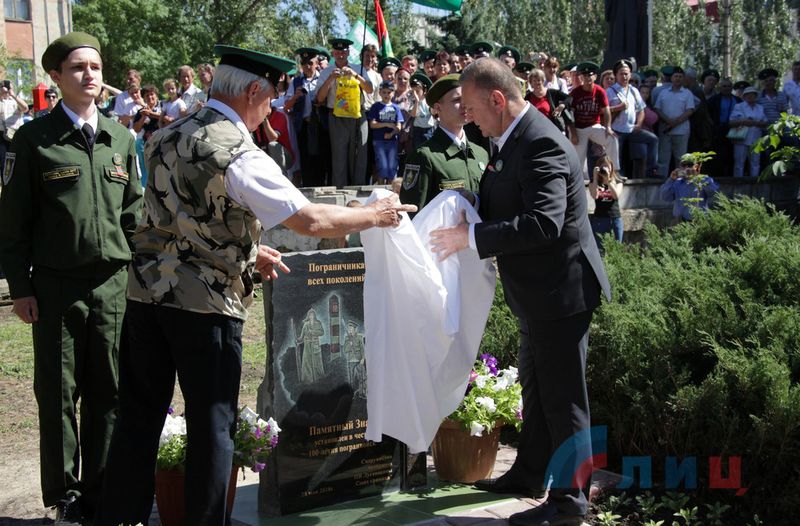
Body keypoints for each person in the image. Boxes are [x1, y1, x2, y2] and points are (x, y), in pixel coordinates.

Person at [95, 44, 415, 526]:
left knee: (138, 419)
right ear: (251, 91)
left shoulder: (165, 134)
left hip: (146, 297)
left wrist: (248, 251)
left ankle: (118, 518)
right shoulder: (240, 153)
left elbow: (178, 216)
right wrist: (375, 214)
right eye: (269, 98)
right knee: (212, 426)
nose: (271, 108)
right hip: (205, 308)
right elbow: (310, 219)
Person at [428, 58, 610, 526]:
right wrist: (470, 205)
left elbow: (543, 223)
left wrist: (470, 237)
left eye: (471, 108)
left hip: (560, 293)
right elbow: (509, 198)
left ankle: (569, 504)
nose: (468, 117)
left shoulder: (540, 142)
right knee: (537, 391)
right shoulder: (510, 139)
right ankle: (529, 475)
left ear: (497, 99)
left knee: (564, 401)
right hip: (537, 295)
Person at [0, 31, 143, 524]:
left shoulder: (121, 139)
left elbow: (134, 216)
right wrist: (21, 289)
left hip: (113, 287)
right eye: (78, 67)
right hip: (56, 288)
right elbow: (12, 226)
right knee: (58, 394)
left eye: (95, 67)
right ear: (56, 77)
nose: (89, 75)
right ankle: (65, 496)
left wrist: (138, 278)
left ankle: (103, 493)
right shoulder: (33, 140)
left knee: (111, 392)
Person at [400, 74, 487, 211]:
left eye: (466, 99)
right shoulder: (425, 157)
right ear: (437, 108)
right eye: (457, 100)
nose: (464, 105)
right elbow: (413, 213)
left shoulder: (481, 154)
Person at [315, 38, 379, 187]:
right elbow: (320, 98)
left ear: (348, 53)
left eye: (343, 52)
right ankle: (340, 189)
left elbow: (369, 89)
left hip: (358, 115)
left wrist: (356, 76)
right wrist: (331, 78)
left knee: (360, 154)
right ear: (333, 53)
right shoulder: (326, 72)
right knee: (339, 156)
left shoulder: (358, 68)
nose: (340, 55)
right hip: (337, 116)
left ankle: (358, 188)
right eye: (337, 52)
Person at [606, 59, 658, 178]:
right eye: (621, 74)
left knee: (653, 139)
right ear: (616, 75)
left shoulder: (634, 91)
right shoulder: (610, 91)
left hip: (631, 129)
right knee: (617, 154)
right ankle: (616, 175)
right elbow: (604, 111)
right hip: (616, 129)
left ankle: (651, 171)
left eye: (626, 74)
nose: (624, 76)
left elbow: (641, 110)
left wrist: (639, 124)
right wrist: (618, 108)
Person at [570, 61, 620, 179]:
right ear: (581, 77)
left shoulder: (599, 91)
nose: (588, 78)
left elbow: (606, 110)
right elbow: (570, 114)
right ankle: (579, 179)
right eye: (585, 75)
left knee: (612, 139)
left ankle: (614, 172)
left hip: (594, 125)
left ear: (595, 77)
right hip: (579, 128)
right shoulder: (575, 93)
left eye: (590, 75)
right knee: (578, 157)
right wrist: (573, 133)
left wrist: (608, 127)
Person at [285, 47, 323, 186]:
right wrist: (295, 96)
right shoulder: (296, 81)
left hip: (321, 125)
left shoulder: (323, 78)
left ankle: (322, 185)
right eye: (304, 63)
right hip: (304, 125)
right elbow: (286, 106)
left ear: (316, 63)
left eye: (310, 63)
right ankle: (308, 187)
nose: (307, 66)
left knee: (322, 157)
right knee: (305, 158)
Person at [654, 66, 695, 177]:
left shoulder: (687, 93)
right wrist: (668, 121)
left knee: (681, 159)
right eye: (676, 76)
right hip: (665, 130)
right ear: (671, 78)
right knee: (663, 158)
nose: (678, 78)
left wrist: (674, 123)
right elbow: (657, 109)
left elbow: (690, 110)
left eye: (680, 76)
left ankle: (680, 181)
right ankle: (662, 180)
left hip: (681, 130)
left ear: (683, 78)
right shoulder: (663, 93)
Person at [659, 154, 719, 222]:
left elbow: (715, 194)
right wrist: (671, 179)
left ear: (696, 166)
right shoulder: (676, 182)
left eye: (690, 165)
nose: (686, 168)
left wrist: (698, 178)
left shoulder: (704, 180)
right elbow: (665, 198)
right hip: (680, 222)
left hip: (700, 221)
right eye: (683, 165)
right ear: (679, 167)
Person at [368, 80, 404, 184]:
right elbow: (372, 124)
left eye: (389, 92)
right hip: (379, 140)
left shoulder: (396, 108)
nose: (386, 95)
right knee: (382, 165)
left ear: (393, 93)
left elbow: (399, 126)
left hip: (392, 141)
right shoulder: (376, 106)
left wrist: (392, 133)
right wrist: (386, 124)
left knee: (392, 166)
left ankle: (390, 188)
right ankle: (380, 187)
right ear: (380, 92)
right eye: (384, 92)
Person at [706, 77, 741, 178]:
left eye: (729, 86)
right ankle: (718, 177)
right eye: (724, 86)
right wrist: (713, 126)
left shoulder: (738, 100)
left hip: (735, 130)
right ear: (720, 87)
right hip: (719, 130)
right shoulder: (714, 100)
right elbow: (707, 114)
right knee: (719, 155)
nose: (726, 88)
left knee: (732, 155)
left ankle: (731, 177)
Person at [729, 86, 767, 178]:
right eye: (748, 95)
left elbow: (765, 122)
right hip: (741, 138)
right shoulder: (739, 106)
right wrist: (744, 121)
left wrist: (755, 123)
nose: (750, 96)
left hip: (756, 139)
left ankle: (754, 182)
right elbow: (731, 122)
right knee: (739, 163)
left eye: (752, 94)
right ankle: (738, 183)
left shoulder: (760, 108)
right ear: (744, 96)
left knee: (755, 163)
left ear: (756, 96)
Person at [526, 68, 573, 137]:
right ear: (531, 83)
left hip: (553, 130)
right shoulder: (528, 97)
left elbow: (569, 98)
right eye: (534, 81)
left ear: (543, 81)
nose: (537, 83)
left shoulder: (552, 92)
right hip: (536, 131)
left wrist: (562, 106)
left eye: (539, 80)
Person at [588, 155, 624, 246]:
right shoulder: (594, 182)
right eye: (602, 166)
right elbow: (594, 196)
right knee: (600, 249)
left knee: (617, 249)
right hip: (599, 219)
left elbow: (616, 196)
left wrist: (608, 180)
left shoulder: (617, 181)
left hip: (615, 219)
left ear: (611, 167)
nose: (605, 169)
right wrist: (595, 178)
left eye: (607, 166)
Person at [0, 78, 28, 172]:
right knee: (4, 164)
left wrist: (13, 95)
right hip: (2, 136)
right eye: (3, 86)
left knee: (19, 161)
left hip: (16, 134)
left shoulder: (16, 100)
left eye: (8, 86)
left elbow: (25, 108)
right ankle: (6, 180)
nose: (5, 88)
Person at [408, 72, 435, 148]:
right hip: (417, 130)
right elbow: (413, 114)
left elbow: (433, 112)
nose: (415, 94)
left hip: (428, 129)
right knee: (418, 149)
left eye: (417, 91)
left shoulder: (428, 101)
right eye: (413, 91)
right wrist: (416, 102)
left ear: (424, 90)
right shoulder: (412, 102)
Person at [298, 309, 325, 383]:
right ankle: (308, 379)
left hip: (315, 345)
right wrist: (298, 339)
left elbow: (322, 332)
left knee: (317, 361)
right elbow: (302, 336)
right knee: (307, 362)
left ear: (314, 315)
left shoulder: (318, 323)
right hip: (307, 345)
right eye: (310, 315)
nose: (311, 316)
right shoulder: (305, 324)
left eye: (312, 315)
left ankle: (318, 378)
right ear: (308, 316)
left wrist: (313, 332)